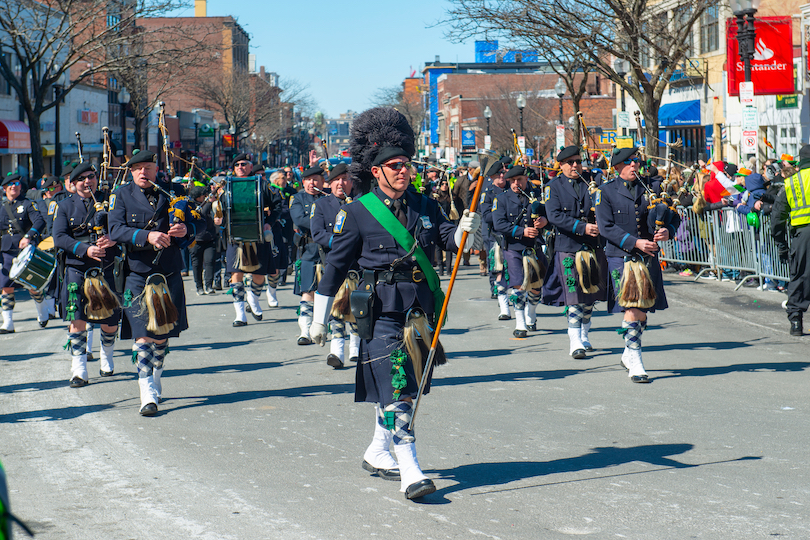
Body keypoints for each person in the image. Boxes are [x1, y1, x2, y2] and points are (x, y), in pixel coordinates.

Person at [308, 107, 480, 500]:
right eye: (395, 165)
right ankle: (411, 469)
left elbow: (446, 239)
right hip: (380, 313)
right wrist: (318, 321)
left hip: (418, 313)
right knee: (400, 390)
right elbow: (334, 267)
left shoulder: (425, 205)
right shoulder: (356, 213)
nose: (405, 171)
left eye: (407, 164)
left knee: (404, 387)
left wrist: (464, 233)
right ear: (376, 171)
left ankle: (377, 449)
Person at [108, 150, 205, 415]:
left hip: (168, 272)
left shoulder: (174, 191)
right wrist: (146, 235)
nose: (143, 172)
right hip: (137, 274)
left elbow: (201, 223)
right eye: (137, 168)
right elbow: (115, 230)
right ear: (130, 171)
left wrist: (187, 231)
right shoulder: (122, 195)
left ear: (156, 168)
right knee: (143, 335)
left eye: (147, 167)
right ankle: (146, 390)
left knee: (160, 337)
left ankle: (157, 374)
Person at [595, 147, 679, 382]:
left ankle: (628, 352)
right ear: (617, 167)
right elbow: (606, 227)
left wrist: (667, 231)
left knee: (641, 310)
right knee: (632, 307)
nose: (634, 165)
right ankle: (636, 359)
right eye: (629, 162)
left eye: (636, 161)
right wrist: (635, 242)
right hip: (620, 257)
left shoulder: (652, 188)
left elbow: (675, 216)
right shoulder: (605, 192)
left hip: (648, 257)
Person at [52, 162, 122, 386]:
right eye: (81, 179)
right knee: (76, 317)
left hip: (106, 266)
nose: (87, 182)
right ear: (72, 184)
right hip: (77, 267)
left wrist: (113, 238)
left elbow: (123, 227)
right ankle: (79, 368)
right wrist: (85, 249)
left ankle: (107, 353)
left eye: (90, 177)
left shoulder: (110, 201)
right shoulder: (64, 206)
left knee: (110, 320)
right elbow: (59, 238)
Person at [542, 146, 607, 358]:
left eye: (578, 161)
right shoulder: (554, 187)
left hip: (592, 246)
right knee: (573, 295)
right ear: (561, 165)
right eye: (570, 162)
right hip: (567, 247)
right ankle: (575, 340)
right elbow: (554, 216)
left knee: (589, 295)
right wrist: (582, 227)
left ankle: (585, 333)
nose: (575, 165)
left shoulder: (593, 183)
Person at [310, 162, 360, 368]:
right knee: (337, 311)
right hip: (334, 263)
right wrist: (341, 243)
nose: (341, 183)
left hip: (359, 265)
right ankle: (337, 352)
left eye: (345, 179)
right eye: (337, 180)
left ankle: (356, 349)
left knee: (359, 309)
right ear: (329, 184)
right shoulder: (321, 205)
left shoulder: (361, 202)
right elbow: (318, 233)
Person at [491, 165, 549, 337]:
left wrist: (545, 221)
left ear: (526, 179)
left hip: (534, 246)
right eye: (513, 181)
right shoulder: (501, 199)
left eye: (520, 180)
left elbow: (551, 215)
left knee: (537, 286)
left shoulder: (537, 196)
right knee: (518, 285)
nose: (517, 184)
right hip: (513, 247)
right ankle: (520, 323)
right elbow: (498, 223)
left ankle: (531, 313)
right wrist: (521, 231)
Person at [224, 154, 279, 327]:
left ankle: (253, 299)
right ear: (234, 168)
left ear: (250, 166)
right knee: (236, 273)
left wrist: (269, 224)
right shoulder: (227, 185)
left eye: (244, 164)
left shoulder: (261, 184)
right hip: (236, 236)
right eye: (237, 164)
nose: (240, 167)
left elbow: (277, 204)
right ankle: (240, 314)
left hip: (258, 235)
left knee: (259, 274)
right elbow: (220, 207)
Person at [0, 173, 48, 333]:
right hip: (7, 250)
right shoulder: (2, 207)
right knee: (6, 286)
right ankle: (8, 323)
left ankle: (42, 311)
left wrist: (29, 236)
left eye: (17, 183)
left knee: (32, 285)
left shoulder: (27, 204)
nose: (14, 186)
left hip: (25, 250)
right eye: (10, 184)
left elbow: (40, 221)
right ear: (5, 188)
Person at [771, 144, 810, 336]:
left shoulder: (792, 183)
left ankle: (796, 321)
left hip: (802, 236)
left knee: (799, 276)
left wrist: (781, 245)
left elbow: (777, 218)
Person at [289, 166, 327, 344]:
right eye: (309, 180)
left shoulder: (329, 197)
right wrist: (324, 224)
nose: (312, 183)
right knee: (308, 290)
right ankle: (305, 330)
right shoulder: (297, 198)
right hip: (309, 250)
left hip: (329, 250)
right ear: (303, 182)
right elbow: (299, 220)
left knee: (331, 291)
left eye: (316, 179)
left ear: (322, 181)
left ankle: (330, 329)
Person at [188, 185, 218, 295]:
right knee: (197, 264)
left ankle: (209, 285)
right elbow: (203, 213)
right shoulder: (191, 206)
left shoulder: (207, 204)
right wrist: (209, 202)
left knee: (210, 261)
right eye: (203, 195)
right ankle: (199, 286)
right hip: (195, 240)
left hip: (209, 238)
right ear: (197, 197)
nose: (205, 196)